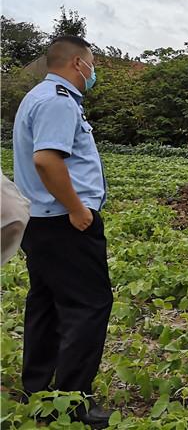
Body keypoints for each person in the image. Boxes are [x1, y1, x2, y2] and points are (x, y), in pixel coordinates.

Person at [12, 36, 114, 428]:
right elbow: (47, 159)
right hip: (64, 221)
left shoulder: (40, 96)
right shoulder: (57, 100)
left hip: (42, 221)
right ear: (77, 63)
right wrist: (78, 210)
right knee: (88, 305)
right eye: (91, 65)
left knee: (47, 303)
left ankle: (38, 390)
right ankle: (74, 402)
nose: (93, 72)